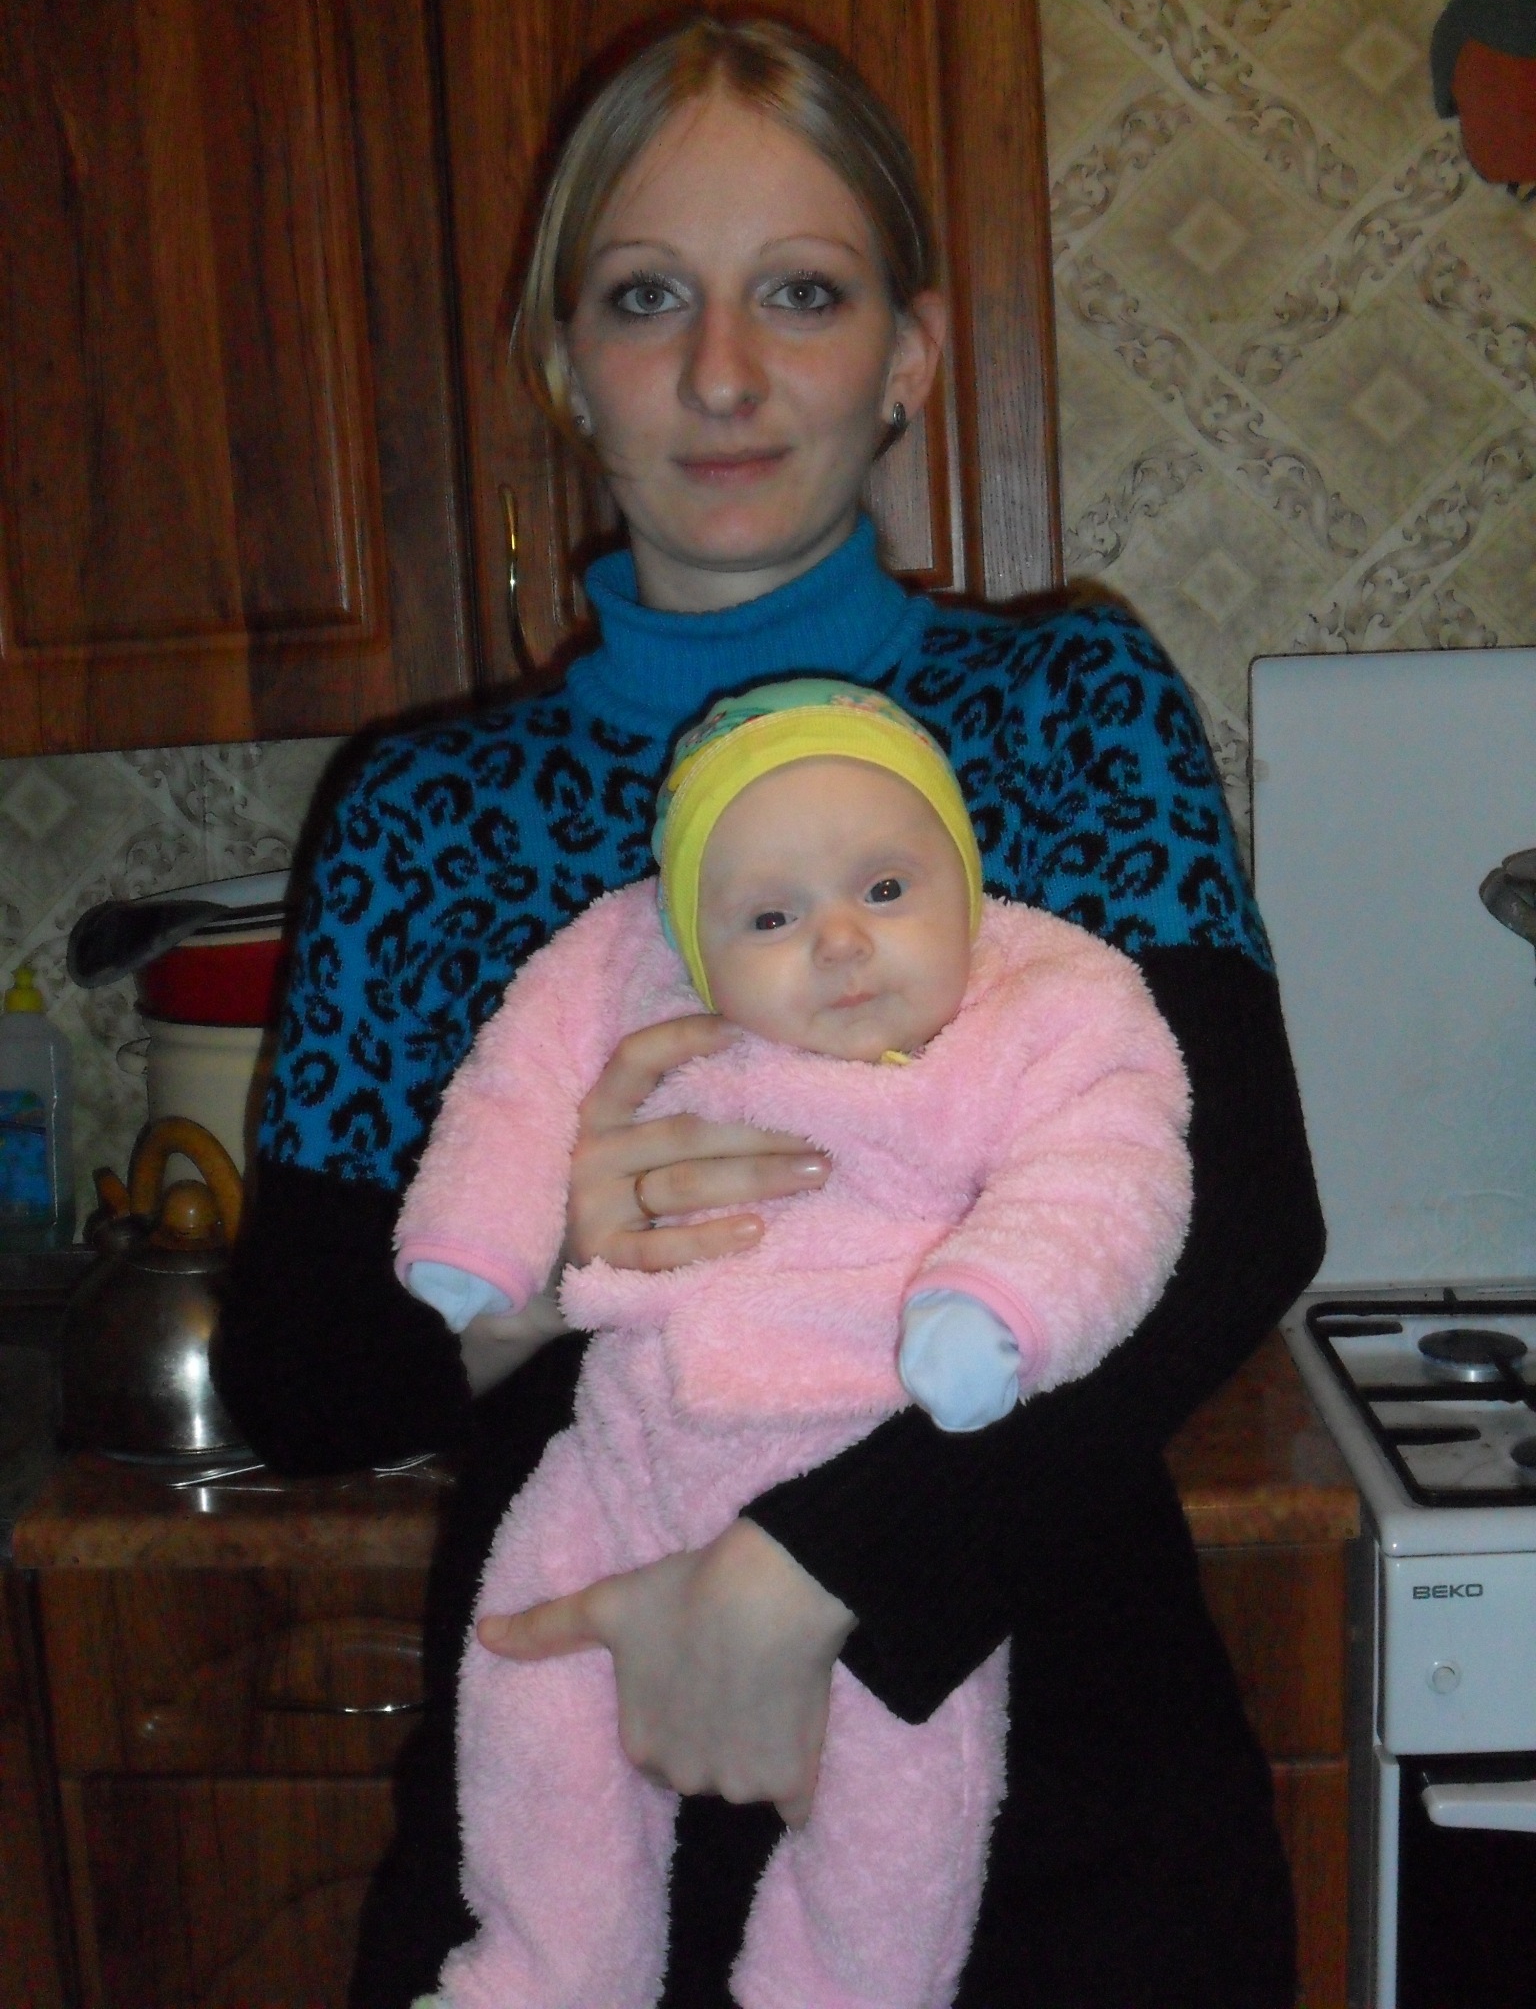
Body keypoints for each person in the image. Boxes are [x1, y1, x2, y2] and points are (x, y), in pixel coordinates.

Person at [212, 11, 1325, 2009]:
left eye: (801, 293)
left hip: (1052, 1796)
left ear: (909, 354)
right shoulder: (423, 814)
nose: (723, 373)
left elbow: (1237, 1216)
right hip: (580, 1788)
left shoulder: (1063, 711)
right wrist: (552, 1264)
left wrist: (818, 1575)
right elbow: (304, 1379)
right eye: (647, 298)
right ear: (567, 368)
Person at [395, 681, 1193, 2008]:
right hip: (629, 1449)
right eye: (769, 918)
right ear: (692, 944)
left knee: (902, 1803)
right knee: (528, 1693)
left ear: (968, 888)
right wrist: (491, 1247)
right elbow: (516, 1084)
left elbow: (1114, 1180)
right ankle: (544, 1973)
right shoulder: (627, 977)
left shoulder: (1043, 1005)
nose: (838, 941)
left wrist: (1000, 1303)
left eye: (886, 889)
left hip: (882, 1475)